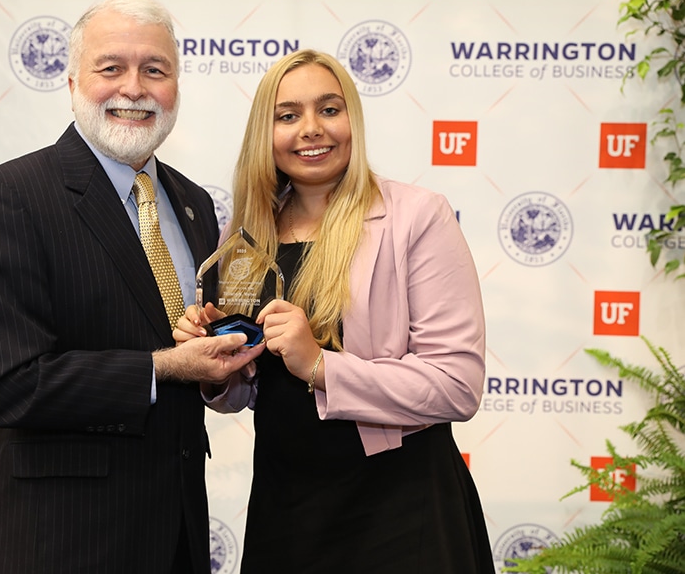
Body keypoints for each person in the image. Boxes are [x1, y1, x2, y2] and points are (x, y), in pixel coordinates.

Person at [0, 0, 264, 574]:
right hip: (63, 544)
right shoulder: (8, 197)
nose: (135, 88)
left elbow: (185, 345)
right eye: (111, 67)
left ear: (176, 84)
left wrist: (222, 363)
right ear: (72, 80)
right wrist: (166, 367)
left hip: (178, 538)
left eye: (155, 69)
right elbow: (3, 385)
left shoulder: (194, 203)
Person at [175, 49, 493, 573]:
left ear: (352, 120)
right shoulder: (244, 234)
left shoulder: (417, 216)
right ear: (265, 132)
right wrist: (214, 362)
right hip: (287, 508)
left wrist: (319, 365)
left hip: (400, 507)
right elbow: (247, 391)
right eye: (288, 115)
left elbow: (457, 384)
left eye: (329, 109)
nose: (310, 129)